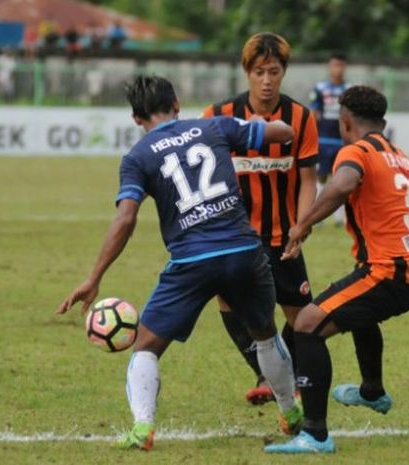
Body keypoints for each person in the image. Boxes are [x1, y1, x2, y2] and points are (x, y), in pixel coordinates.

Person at [57, 75, 303, 451]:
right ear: (176, 102)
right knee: (265, 333)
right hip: (243, 251)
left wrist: (94, 278)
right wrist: (270, 125)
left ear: (137, 118)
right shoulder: (213, 126)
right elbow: (282, 133)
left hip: (193, 261)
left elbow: (125, 219)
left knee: (144, 346)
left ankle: (143, 429)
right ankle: (291, 412)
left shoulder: (138, 157)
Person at [265, 85, 409, 454]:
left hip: (390, 271)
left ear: (344, 122)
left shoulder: (355, 150)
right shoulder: (399, 155)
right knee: (356, 308)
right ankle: (371, 392)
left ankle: (315, 435)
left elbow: (342, 185)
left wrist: (303, 223)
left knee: (306, 324)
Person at [202, 32, 319, 405]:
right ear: (246, 72)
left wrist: (303, 224)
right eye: (258, 72)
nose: (266, 81)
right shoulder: (218, 116)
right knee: (229, 304)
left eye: (273, 71)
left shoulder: (300, 117)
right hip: (235, 237)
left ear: (284, 71)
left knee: (303, 317)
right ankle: (267, 374)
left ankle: (279, 374)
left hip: (282, 235)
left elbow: (307, 179)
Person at [309, 52, 349, 225]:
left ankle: (340, 218)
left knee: (340, 178)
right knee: (321, 176)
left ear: (344, 67)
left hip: (342, 140)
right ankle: (320, 217)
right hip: (324, 139)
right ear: (329, 67)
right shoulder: (320, 88)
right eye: (334, 65)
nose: (337, 69)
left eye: (340, 65)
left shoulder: (349, 89)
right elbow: (314, 112)